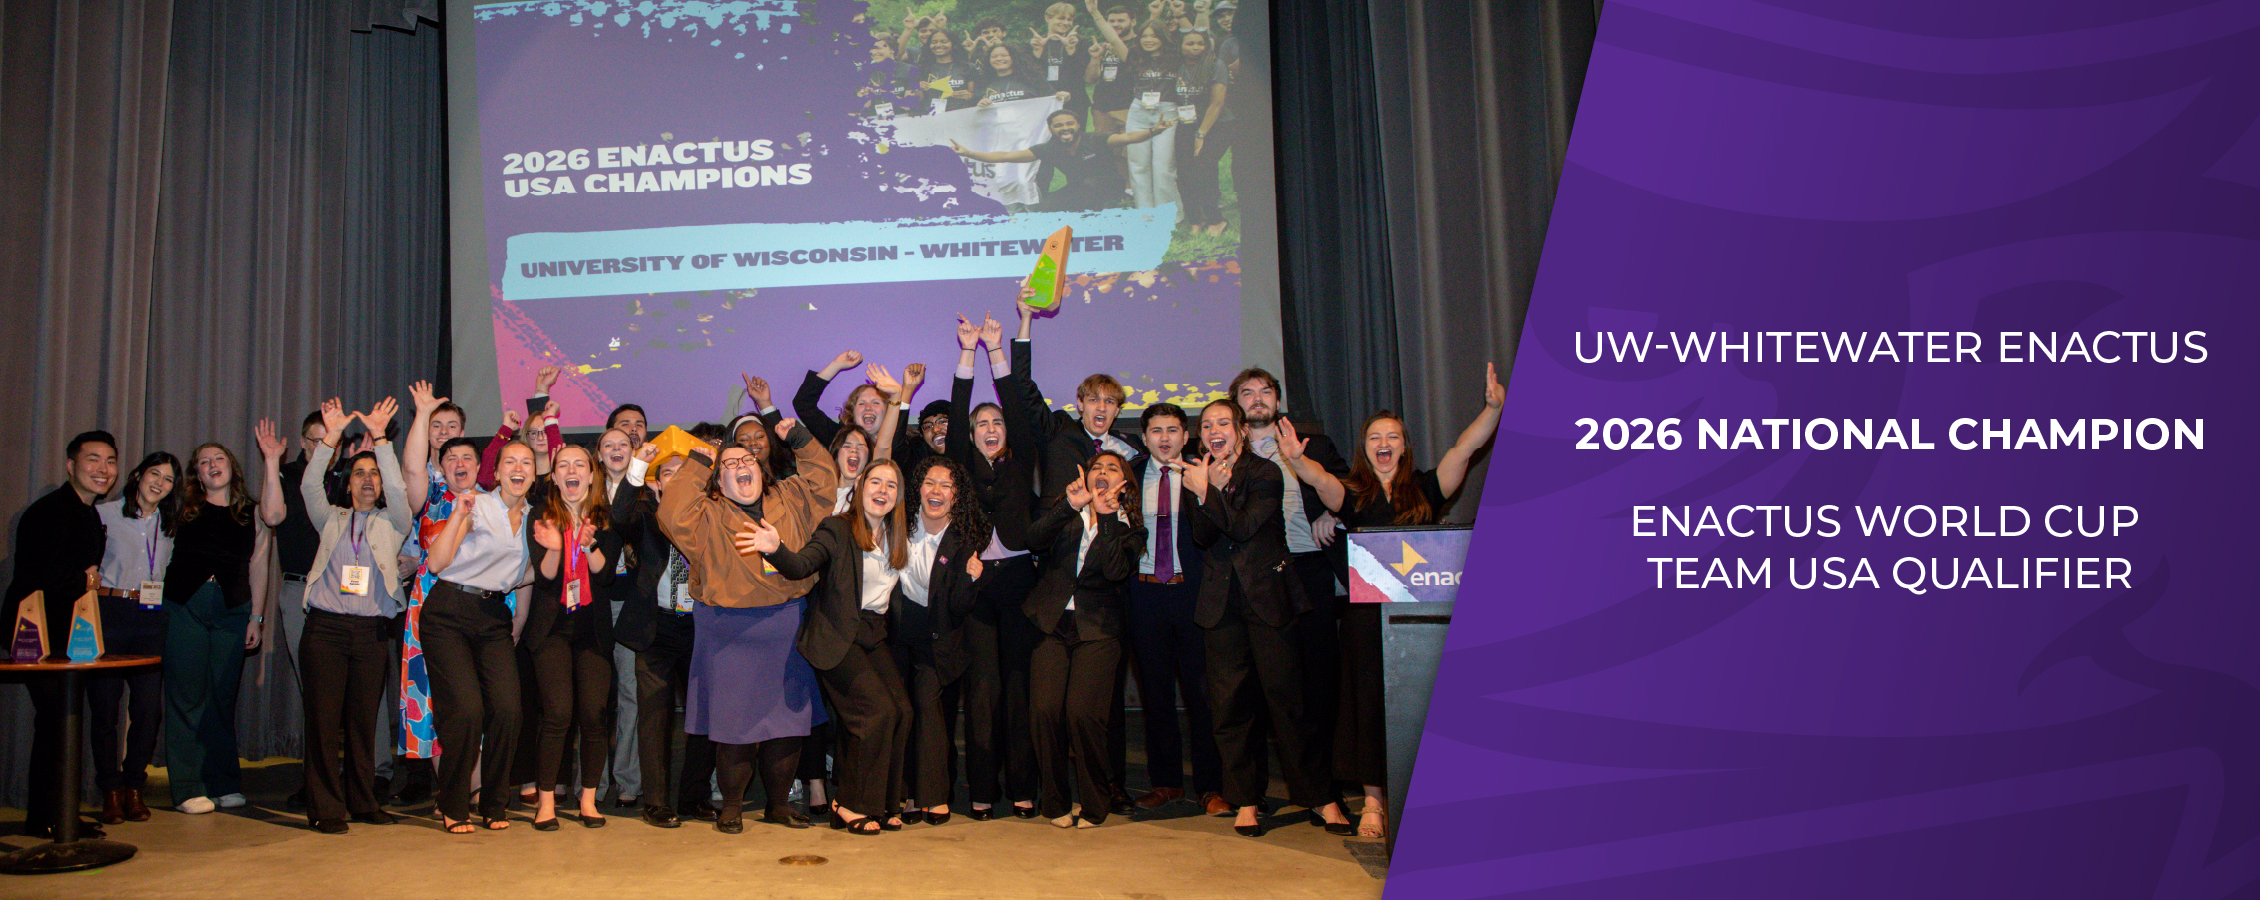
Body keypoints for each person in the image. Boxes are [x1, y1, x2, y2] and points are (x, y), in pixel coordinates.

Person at [1274, 364, 1505, 839]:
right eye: (1375, 436)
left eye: (1393, 436)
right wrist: (1297, 461)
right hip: (1365, 622)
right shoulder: (1354, 495)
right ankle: (1375, 802)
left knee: (1425, 705)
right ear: (1365, 448)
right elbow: (1321, 483)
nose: (1384, 443)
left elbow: (1465, 448)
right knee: (1366, 707)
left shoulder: (1425, 488)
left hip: (1420, 621)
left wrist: (1493, 409)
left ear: (1403, 445)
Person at [655, 419, 837, 834]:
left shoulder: (789, 497)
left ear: (762, 467)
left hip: (788, 624)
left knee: (787, 724)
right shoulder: (706, 514)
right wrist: (702, 457)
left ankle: (778, 805)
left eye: (749, 458)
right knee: (733, 727)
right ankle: (732, 806)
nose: (742, 464)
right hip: (728, 631)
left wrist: (801, 438)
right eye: (730, 461)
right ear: (719, 478)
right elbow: (670, 510)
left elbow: (825, 480)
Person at [1182, 399, 1350, 837]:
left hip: (1268, 598)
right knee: (1230, 706)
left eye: (1223, 423)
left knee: (1289, 702)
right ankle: (1245, 799)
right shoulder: (1200, 475)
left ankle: (1320, 796)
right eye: (1206, 425)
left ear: (1239, 430)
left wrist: (1208, 493)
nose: (1214, 431)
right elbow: (1202, 537)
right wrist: (1203, 491)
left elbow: (1243, 528)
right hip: (1221, 604)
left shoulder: (1265, 473)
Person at [745, 458, 915, 835]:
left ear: (898, 496)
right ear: (859, 488)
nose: (882, 491)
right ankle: (850, 804)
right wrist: (775, 549)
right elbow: (802, 564)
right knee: (875, 713)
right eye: (875, 482)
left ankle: (884, 803)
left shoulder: (896, 535)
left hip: (872, 633)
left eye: (890, 485)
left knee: (901, 711)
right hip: (837, 635)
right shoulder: (837, 528)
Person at [1232, 367, 1350, 817]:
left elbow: (1351, 491)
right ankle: (1255, 793)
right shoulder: (1226, 451)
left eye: (1266, 391)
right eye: (1247, 393)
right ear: (1236, 403)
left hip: (1310, 568)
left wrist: (1332, 515)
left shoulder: (1311, 445)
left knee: (1318, 680)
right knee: (1266, 689)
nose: (1258, 398)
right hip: (1257, 580)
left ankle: (1324, 786)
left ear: (1278, 399)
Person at [296, 398, 413, 834]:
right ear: (347, 484)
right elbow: (310, 486)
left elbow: (402, 496)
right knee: (324, 723)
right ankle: (327, 808)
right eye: (360, 473)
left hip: (370, 633)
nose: (368, 480)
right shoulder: (330, 518)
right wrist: (330, 438)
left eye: (375, 475)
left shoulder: (393, 522)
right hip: (325, 631)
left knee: (364, 723)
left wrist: (381, 440)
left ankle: (364, 801)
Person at [946, 312, 1044, 819]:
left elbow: (1018, 407)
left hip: (1021, 583)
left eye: (996, 423)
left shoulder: (1021, 457)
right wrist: (967, 352)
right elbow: (962, 402)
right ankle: (982, 789)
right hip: (979, 588)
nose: (989, 428)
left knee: (1019, 690)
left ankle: (1023, 787)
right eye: (981, 424)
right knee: (982, 692)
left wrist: (996, 350)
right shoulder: (961, 464)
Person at [164, 426, 286, 814]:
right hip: (185, 606)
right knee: (187, 697)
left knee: (221, 697)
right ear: (196, 475)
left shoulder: (250, 512)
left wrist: (257, 617)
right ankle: (187, 787)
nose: (212, 466)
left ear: (231, 467)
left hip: (233, 611)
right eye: (203, 462)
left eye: (218, 459)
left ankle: (224, 782)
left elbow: (260, 562)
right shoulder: (184, 507)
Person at [422, 439, 540, 833]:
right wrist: (458, 517)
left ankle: (493, 802)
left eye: (526, 462)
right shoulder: (477, 503)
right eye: (510, 461)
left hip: (493, 616)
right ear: (498, 470)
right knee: (467, 710)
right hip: (449, 611)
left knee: (509, 710)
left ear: (534, 473)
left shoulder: (538, 520)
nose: (518, 468)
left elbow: (534, 574)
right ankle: (453, 802)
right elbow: (437, 562)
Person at [1024, 452, 1146, 828]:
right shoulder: (1068, 512)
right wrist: (1070, 507)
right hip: (1052, 622)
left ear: (1124, 483)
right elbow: (1033, 540)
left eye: (1113, 468)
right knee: (1044, 710)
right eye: (1098, 467)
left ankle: (1096, 802)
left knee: (1083, 714)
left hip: (1099, 629)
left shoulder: (1130, 528)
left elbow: (1114, 570)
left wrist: (1107, 517)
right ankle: (1055, 802)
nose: (1104, 473)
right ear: (1086, 476)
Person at [11, 431, 117, 839]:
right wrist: (83, 579)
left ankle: (57, 813)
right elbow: (33, 573)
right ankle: (46, 817)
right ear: (71, 465)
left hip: (69, 634)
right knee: (56, 723)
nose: (102, 469)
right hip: (38, 635)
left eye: (110, 461)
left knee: (63, 723)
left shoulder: (89, 513)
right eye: (93, 460)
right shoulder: (50, 510)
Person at [1124, 403, 1226, 814]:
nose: (1164, 438)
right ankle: (1166, 782)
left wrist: (1207, 491)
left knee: (1203, 696)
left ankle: (1211, 787)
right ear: (1144, 437)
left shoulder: (1204, 475)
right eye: (1155, 431)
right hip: (1145, 596)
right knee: (1155, 695)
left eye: (1172, 430)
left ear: (1187, 437)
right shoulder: (1128, 475)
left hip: (1192, 595)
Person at [612, 443, 719, 827]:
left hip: (701, 627)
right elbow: (618, 514)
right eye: (670, 473)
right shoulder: (644, 516)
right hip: (655, 627)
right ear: (657, 484)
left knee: (704, 717)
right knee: (654, 715)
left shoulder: (710, 518)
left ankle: (695, 797)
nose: (679, 479)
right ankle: (656, 802)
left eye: (687, 472)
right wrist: (638, 464)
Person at [523, 443, 623, 830]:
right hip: (551, 630)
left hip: (592, 632)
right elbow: (546, 575)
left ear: (591, 474)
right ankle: (545, 803)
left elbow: (605, 574)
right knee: (558, 713)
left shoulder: (605, 518)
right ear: (555, 477)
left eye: (579, 464)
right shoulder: (541, 515)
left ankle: (588, 800)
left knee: (595, 714)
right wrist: (555, 546)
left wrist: (588, 543)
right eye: (563, 465)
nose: (571, 471)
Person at [890, 455, 989, 825]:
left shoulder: (964, 540)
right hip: (897, 632)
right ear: (918, 488)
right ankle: (907, 794)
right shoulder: (899, 524)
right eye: (930, 482)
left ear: (956, 496)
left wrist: (971, 579)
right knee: (901, 712)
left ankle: (934, 795)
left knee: (929, 713)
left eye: (946, 485)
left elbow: (961, 607)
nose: (936, 491)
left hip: (937, 637)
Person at [90, 450, 177, 826]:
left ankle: (133, 786)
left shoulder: (172, 524)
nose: (159, 483)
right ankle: (109, 791)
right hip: (110, 612)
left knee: (147, 710)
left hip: (151, 616)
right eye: (154, 474)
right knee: (106, 710)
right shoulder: (104, 515)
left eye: (168, 479)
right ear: (138, 475)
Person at [949, 108, 1174, 212]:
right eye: (1058, 125)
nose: (1064, 128)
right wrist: (969, 153)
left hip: (1107, 185)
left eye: (1069, 124)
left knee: (1088, 190)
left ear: (1077, 125)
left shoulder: (1096, 139)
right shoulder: (1048, 149)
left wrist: (1154, 130)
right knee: (1047, 208)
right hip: (1078, 189)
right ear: (1051, 129)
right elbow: (1007, 156)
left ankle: (1103, 210)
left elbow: (1129, 137)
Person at [1115, 21, 1182, 211]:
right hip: (1139, 112)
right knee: (1137, 165)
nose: (1148, 40)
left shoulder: (1176, 57)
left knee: (1163, 168)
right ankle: (1145, 213)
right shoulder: (1135, 58)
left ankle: (1168, 214)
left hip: (1167, 112)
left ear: (1162, 37)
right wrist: (1095, 13)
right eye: (1144, 36)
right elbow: (1113, 38)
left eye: (1153, 35)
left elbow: (1201, 37)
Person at [1172, 28, 1232, 233]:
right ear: (1180, 46)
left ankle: (1216, 221)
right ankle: (1196, 220)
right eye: (1190, 43)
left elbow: (1217, 104)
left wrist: (1201, 134)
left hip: (1216, 125)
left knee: (1203, 167)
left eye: (1200, 43)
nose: (1196, 47)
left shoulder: (1216, 65)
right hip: (1185, 124)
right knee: (1184, 173)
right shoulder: (1176, 66)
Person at [1084, 1, 1140, 145]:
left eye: (1121, 20)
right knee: (1105, 152)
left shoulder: (1141, 44)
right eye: (1112, 21)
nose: (1116, 24)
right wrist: (1095, 59)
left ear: (1133, 21)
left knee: (1129, 153)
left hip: (1129, 106)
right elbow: (1090, 80)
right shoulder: (1102, 46)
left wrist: (1095, 13)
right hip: (1102, 107)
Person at [917, 28, 979, 114]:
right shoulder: (922, 68)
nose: (938, 45)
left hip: (961, 116)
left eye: (944, 41)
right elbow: (919, 99)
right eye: (934, 42)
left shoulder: (968, 67)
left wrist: (969, 96)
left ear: (953, 44)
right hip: (931, 119)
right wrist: (917, 88)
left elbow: (974, 95)